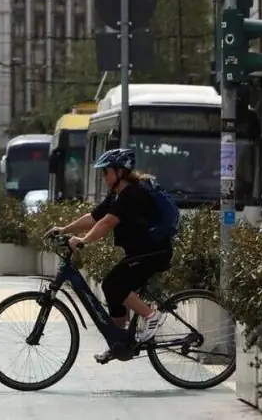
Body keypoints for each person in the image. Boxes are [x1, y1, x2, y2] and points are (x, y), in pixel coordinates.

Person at [47, 148, 172, 363]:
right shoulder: (117, 194)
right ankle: (118, 341)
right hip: (139, 252)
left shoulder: (132, 194)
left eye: (106, 172)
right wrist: (64, 229)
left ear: (120, 172)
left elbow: (107, 223)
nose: (103, 176)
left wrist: (83, 240)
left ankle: (152, 316)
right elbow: (94, 217)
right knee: (110, 287)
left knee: (115, 284)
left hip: (154, 252)